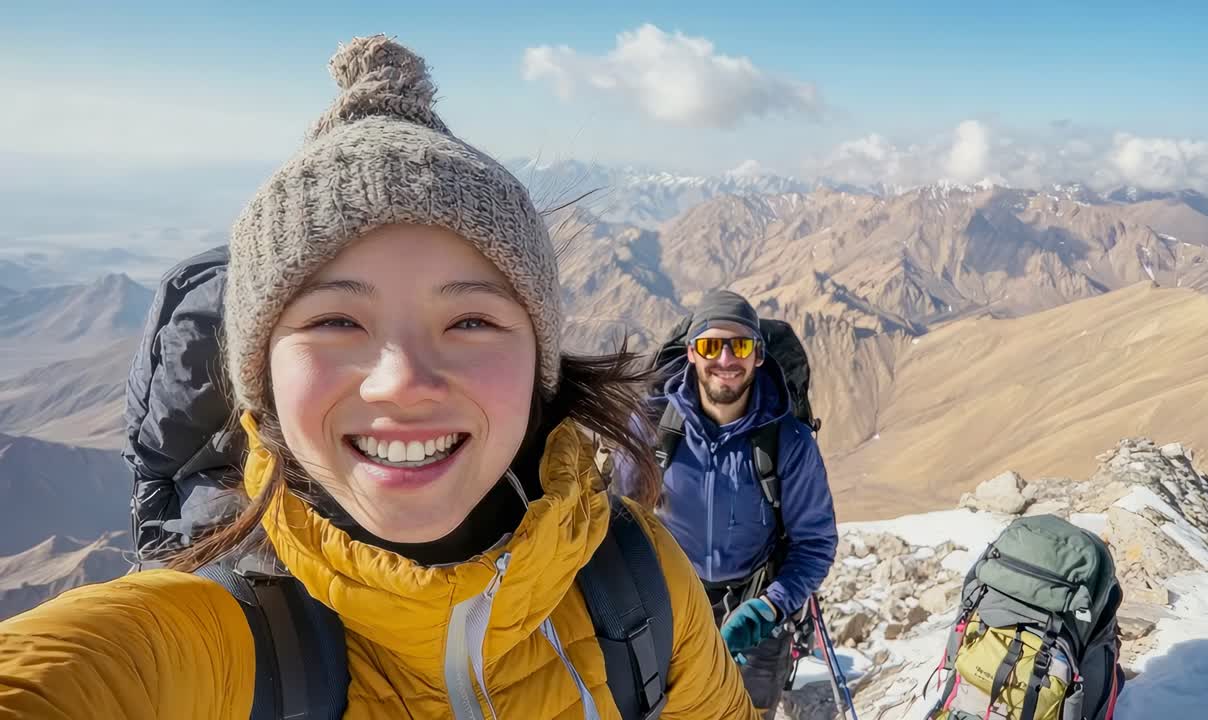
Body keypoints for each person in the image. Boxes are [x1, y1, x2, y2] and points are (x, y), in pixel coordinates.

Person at [0, 35, 756, 720]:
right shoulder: (201, 642)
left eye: (471, 321)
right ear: (261, 377)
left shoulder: (640, 580)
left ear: (539, 362)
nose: (402, 380)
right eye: (336, 321)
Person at [617, 290, 839, 719]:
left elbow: (815, 543)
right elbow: (621, 523)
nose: (725, 359)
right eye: (710, 346)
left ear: (758, 355)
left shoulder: (788, 442)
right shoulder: (652, 430)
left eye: (739, 346)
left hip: (757, 612)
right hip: (669, 607)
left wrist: (770, 606)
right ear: (691, 353)